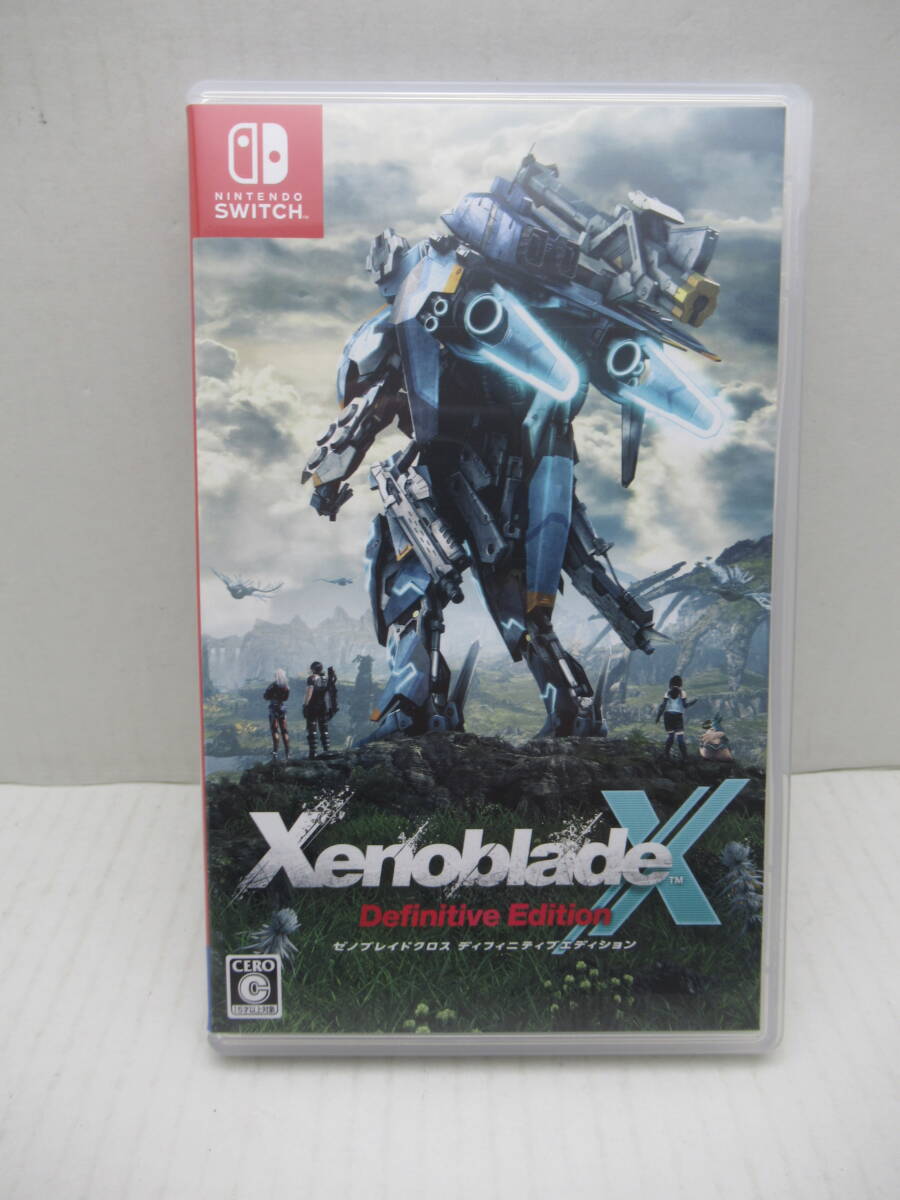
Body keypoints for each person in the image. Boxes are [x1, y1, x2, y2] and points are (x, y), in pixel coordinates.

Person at [655, 674, 698, 760]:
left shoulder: (667, 692)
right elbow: (685, 706)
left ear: (671, 683)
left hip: (667, 716)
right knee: (680, 738)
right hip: (678, 717)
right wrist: (693, 702)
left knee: (670, 736)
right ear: (680, 684)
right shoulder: (682, 693)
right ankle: (685, 757)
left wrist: (658, 717)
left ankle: (666, 754)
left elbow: (663, 706)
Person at [303, 661, 331, 759]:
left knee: (312, 728)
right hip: (323, 705)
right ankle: (326, 750)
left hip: (313, 705)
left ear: (313, 669)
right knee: (324, 728)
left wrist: (305, 705)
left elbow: (309, 692)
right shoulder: (326, 678)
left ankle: (313, 752)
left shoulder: (311, 678)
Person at [263, 669, 291, 761]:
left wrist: (271, 697)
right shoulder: (286, 686)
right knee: (284, 731)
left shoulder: (272, 686)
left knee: (275, 730)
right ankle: (288, 752)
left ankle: (275, 752)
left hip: (273, 709)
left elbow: (265, 696)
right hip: (282, 708)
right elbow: (286, 698)